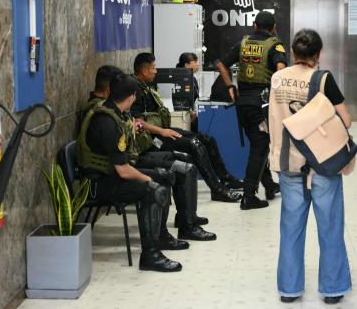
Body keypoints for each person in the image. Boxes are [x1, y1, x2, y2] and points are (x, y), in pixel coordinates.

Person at [79, 65, 216, 243]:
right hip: (113, 173)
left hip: (130, 160)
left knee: (183, 166)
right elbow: (121, 167)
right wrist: (149, 179)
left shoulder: (112, 111)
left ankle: (183, 224)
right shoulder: (103, 117)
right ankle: (162, 241)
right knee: (166, 177)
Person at [268, 29, 354, 304]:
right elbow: (347, 120)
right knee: (329, 227)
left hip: (288, 164)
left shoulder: (277, 79)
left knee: (291, 228)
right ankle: (332, 289)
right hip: (321, 165)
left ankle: (290, 290)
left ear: (293, 52)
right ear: (318, 54)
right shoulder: (322, 79)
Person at [76, 73, 181, 272]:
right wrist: (148, 180)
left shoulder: (115, 112)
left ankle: (160, 237)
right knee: (152, 189)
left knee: (164, 175)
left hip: (110, 174)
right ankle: (150, 256)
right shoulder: (106, 121)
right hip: (98, 185)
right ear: (132, 96)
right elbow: (123, 171)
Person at [131, 53, 242, 202]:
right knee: (193, 145)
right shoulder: (134, 90)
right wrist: (162, 131)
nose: (156, 71)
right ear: (144, 70)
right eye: (153, 68)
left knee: (206, 140)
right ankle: (217, 190)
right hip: (153, 138)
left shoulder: (146, 86)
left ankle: (225, 178)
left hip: (162, 131)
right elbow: (136, 121)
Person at [216, 11, 286, 210]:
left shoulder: (243, 44)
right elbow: (281, 69)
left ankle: (269, 185)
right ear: (273, 28)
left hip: (243, 104)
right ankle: (249, 195)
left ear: (255, 25)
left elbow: (221, 64)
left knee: (258, 143)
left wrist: (230, 86)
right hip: (261, 105)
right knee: (261, 147)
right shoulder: (275, 45)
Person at [176, 52, 243, 189]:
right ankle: (223, 177)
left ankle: (223, 177)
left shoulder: (192, 78)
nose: (197, 64)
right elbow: (180, 103)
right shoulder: (181, 79)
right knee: (207, 140)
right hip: (186, 119)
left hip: (192, 115)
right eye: (194, 62)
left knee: (210, 139)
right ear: (186, 65)